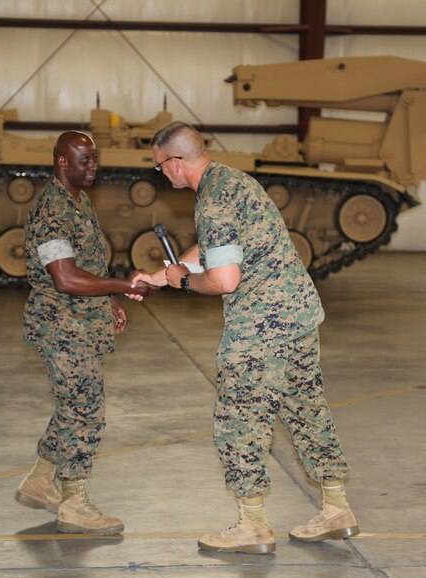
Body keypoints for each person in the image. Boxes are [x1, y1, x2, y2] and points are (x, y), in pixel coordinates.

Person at [131, 121, 358, 554]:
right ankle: (336, 508)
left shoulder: (211, 201)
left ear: (176, 162)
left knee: (238, 422)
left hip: (259, 326)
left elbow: (224, 279)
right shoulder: (234, 182)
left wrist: (182, 284)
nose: (161, 174)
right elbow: (216, 247)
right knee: (307, 411)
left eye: (160, 166)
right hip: (298, 315)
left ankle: (252, 525)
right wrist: (161, 275)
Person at [16, 131, 157, 535]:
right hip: (61, 326)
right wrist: (121, 287)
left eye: (95, 159)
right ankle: (74, 501)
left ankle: (41, 479)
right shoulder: (51, 211)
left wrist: (107, 301)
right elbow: (65, 278)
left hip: (82, 323)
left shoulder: (78, 200)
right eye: (85, 160)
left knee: (73, 405)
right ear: (62, 162)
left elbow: (85, 263)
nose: (93, 166)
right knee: (86, 411)